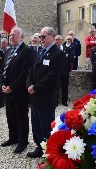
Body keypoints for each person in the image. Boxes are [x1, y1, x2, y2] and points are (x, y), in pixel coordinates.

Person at [26, 27, 65, 158]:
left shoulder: (58, 54)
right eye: (40, 37)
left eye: (43, 37)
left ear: (52, 36)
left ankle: (48, 149)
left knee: (46, 124)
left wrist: (35, 87)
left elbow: (52, 77)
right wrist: (29, 84)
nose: (41, 39)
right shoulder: (40, 52)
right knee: (36, 123)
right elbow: (31, 70)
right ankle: (39, 146)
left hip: (46, 96)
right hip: (35, 95)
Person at [0, 27, 34, 154]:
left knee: (21, 116)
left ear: (22, 37)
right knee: (10, 115)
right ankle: (13, 137)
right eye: (10, 35)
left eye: (14, 35)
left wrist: (12, 87)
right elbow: (4, 68)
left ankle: (23, 141)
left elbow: (25, 72)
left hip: (19, 92)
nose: (11, 37)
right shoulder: (9, 51)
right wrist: (3, 84)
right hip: (7, 91)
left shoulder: (27, 51)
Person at [55, 35, 73, 106]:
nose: (56, 41)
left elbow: (69, 60)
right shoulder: (54, 49)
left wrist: (69, 70)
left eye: (58, 39)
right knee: (56, 86)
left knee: (65, 86)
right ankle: (55, 101)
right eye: (56, 39)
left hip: (65, 71)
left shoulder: (67, 49)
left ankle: (64, 101)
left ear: (62, 40)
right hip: (56, 71)